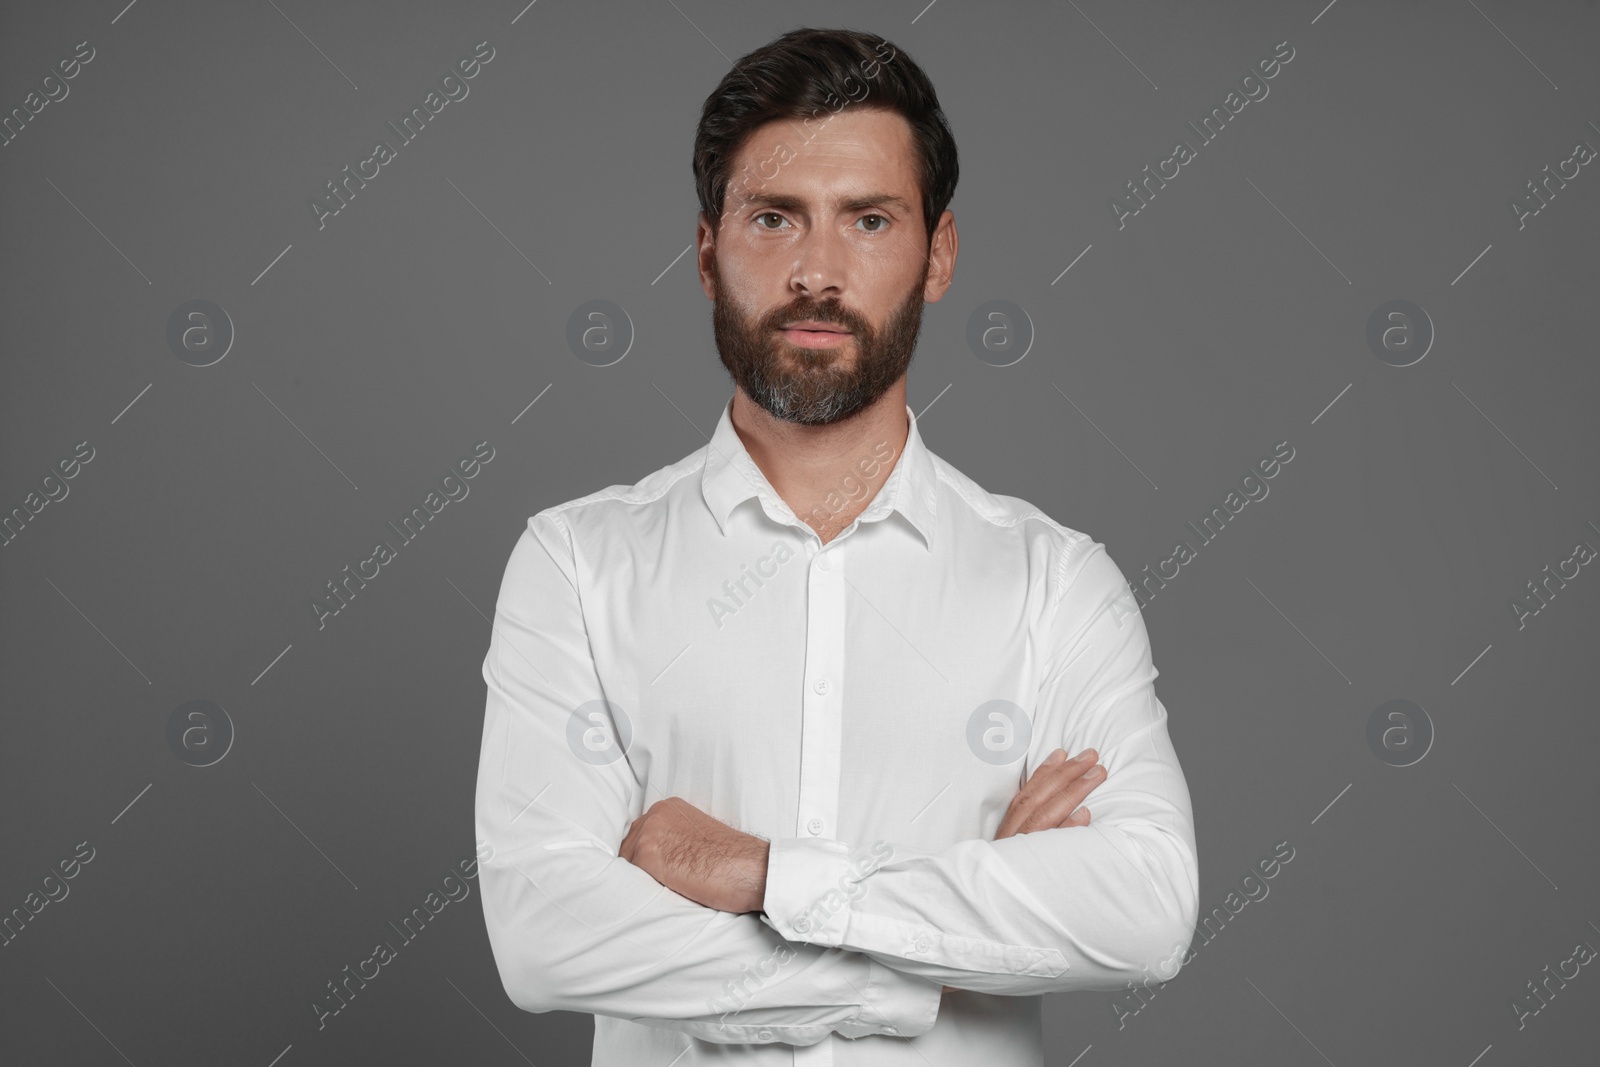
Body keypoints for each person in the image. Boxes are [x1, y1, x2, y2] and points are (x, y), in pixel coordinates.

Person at [473, 26, 1198, 1065]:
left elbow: (1144, 905)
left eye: (867, 218)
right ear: (707, 248)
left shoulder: (1053, 582)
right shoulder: (578, 564)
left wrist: (767, 876)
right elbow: (545, 934)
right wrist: (935, 953)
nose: (817, 269)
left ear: (938, 253)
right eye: (774, 217)